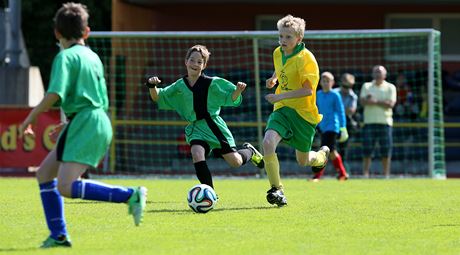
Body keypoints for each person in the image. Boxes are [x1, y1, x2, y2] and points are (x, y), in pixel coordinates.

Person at [18, 3, 147, 248]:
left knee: (66, 186)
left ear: (56, 33)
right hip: (91, 119)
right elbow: (87, 96)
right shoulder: (93, 56)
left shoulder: (65, 57)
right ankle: (59, 236)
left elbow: (54, 93)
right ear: (86, 32)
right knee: (45, 173)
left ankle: (130, 195)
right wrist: (69, 124)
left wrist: (29, 119)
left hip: (86, 121)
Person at [145, 45, 264, 190]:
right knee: (196, 153)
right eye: (192, 60)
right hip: (195, 128)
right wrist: (151, 86)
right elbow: (158, 97)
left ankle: (250, 152)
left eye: (199, 62)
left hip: (214, 127)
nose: (195, 64)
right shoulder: (179, 85)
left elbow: (231, 98)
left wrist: (238, 91)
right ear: (186, 62)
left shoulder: (212, 83)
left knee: (236, 162)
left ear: (204, 65)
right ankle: (209, 192)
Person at [263, 15, 330, 207]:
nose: (283, 41)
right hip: (282, 109)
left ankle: (321, 156)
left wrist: (279, 96)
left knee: (303, 160)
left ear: (299, 39)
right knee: (268, 143)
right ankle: (277, 189)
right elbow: (281, 67)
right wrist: (274, 79)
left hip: (303, 114)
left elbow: (308, 90)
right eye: (281, 36)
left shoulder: (306, 59)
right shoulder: (278, 52)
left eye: (288, 37)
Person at [359, 65, 397, 178]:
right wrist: (382, 102)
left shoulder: (391, 87)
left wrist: (374, 101)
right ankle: (365, 174)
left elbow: (390, 104)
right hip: (369, 123)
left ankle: (386, 174)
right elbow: (362, 101)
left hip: (385, 123)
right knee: (367, 150)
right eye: (376, 72)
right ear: (372, 74)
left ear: (385, 75)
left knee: (385, 150)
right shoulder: (366, 86)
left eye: (380, 72)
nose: (378, 74)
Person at [312, 72, 349, 181]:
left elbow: (341, 111)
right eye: (324, 81)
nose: (326, 83)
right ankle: (343, 174)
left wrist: (343, 128)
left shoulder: (335, 95)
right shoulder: (318, 94)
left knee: (324, 151)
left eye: (328, 81)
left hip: (333, 127)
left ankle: (317, 176)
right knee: (332, 152)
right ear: (320, 82)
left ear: (332, 83)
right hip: (322, 126)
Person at [336, 73, 358, 164]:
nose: (346, 89)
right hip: (331, 122)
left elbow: (351, 111)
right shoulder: (333, 93)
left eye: (348, 86)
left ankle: (342, 170)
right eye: (344, 86)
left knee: (343, 149)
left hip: (346, 124)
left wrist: (337, 109)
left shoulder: (353, 96)